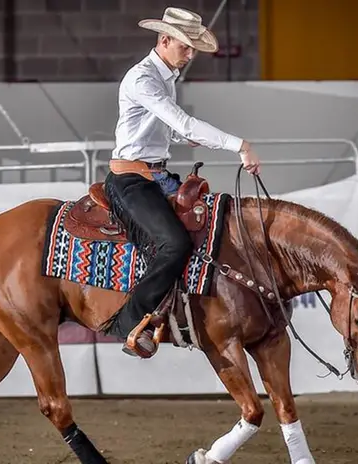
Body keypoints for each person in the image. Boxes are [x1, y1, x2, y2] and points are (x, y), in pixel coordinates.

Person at [104, 7, 262, 357]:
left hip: (154, 174)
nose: (190, 55)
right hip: (131, 178)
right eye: (186, 47)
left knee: (212, 226)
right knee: (174, 243)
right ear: (164, 40)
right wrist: (239, 145)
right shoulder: (143, 79)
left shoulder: (163, 78)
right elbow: (185, 124)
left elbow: (165, 129)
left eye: (193, 48)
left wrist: (180, 138)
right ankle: (132, 322)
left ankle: (191, 312)